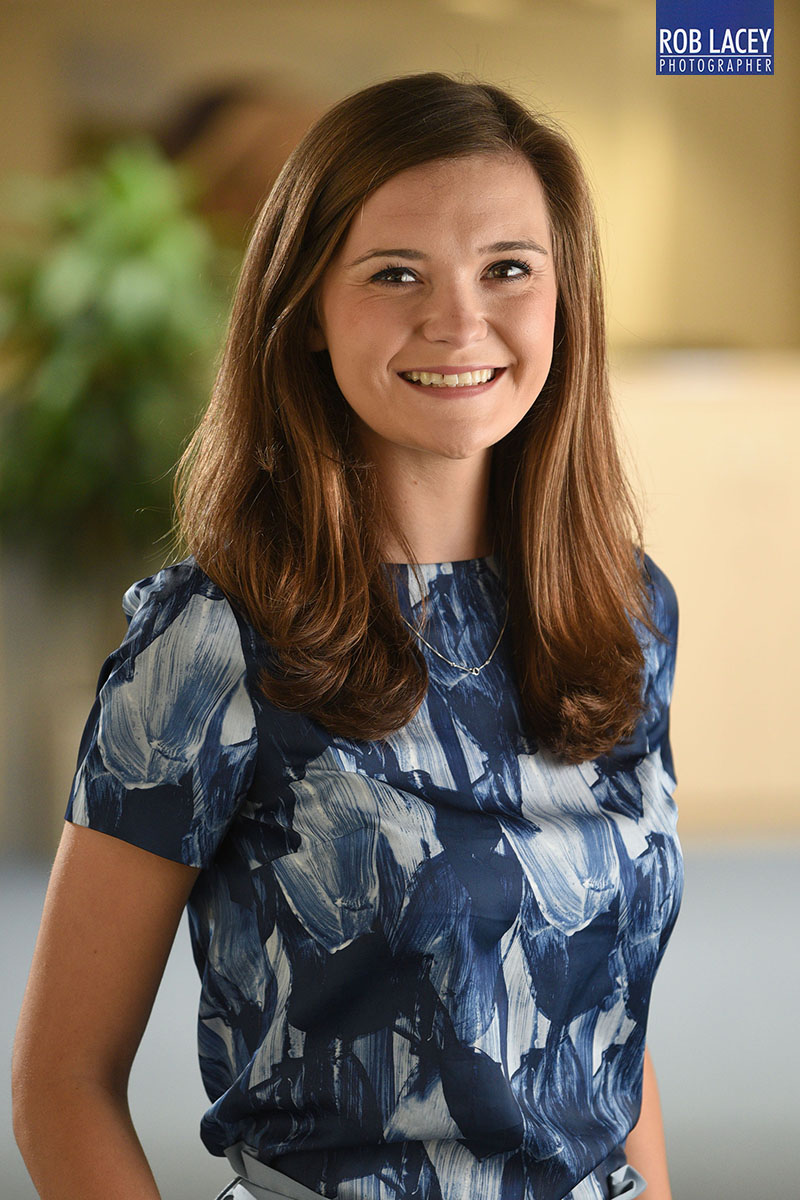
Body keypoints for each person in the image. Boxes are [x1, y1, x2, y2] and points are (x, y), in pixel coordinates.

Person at [12, 72, 682, 1200]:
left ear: (565, 301)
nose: (458, 319)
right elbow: (59, 1085)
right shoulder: (214, 639)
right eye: (394, 274)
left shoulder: (621, 606)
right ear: (307, 313)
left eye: (507, 269)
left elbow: (598, 1022)